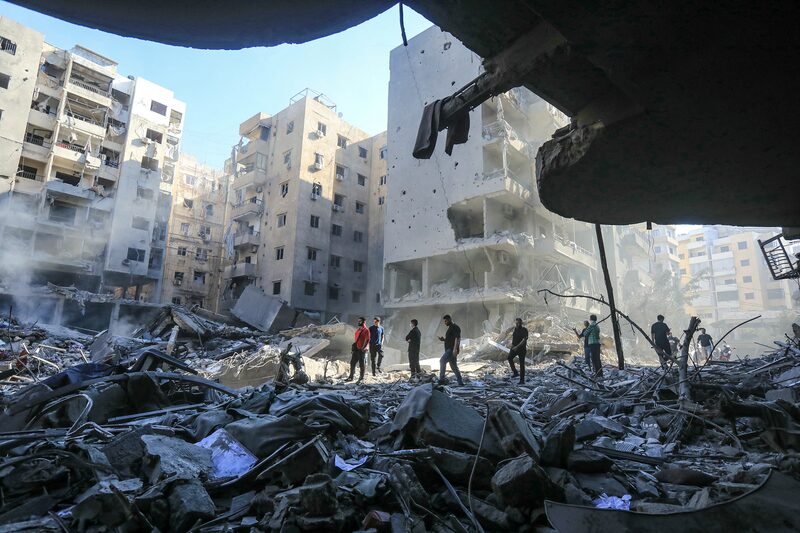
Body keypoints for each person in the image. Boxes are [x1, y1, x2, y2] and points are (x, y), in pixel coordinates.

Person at [437, 314, 464, 386]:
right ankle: (460, 382)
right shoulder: (450, 328)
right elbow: (450, 339)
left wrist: (455, 349)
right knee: (454, 367)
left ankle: (441, 379)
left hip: (451, 349)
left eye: (445, 321)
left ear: (449, 319)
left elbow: (457, 338)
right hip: (450, 349)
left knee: (442, 361)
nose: (445, 322)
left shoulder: (455, 327)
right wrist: (444, 340)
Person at [346, 317, 370, 383]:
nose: (358, 322)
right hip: (356, 349)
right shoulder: (358, 330)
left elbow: (367, 340)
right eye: (358, 321)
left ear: (364, 322)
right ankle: (351, 377)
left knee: (362, 364)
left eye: (360, 321)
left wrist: (363, 348)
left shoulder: (366, 330)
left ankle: (361, 378)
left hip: (362, 350)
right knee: (352, 363)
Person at [508, 318, 528, 384]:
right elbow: (514, 338)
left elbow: (524, 340)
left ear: (521, 323)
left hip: (521, 349)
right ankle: (515, 372)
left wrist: (517, 347)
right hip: (514, 348)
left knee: (522, 364)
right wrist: (512, 345)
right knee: (509, 358)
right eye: (516, 323)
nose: (517, 324)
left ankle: (522, 381)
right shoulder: (515, 329)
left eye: (519, 323)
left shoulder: (524, 330)